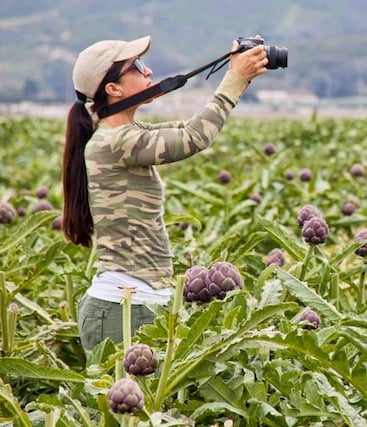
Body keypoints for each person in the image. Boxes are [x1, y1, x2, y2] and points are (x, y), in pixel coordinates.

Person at [62, 35, 268, 351]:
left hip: (136, 304)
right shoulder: (115, 142)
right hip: (123, 309)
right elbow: (194, 137)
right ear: (113, 89)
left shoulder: (126, 135)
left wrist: (235, 68)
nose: (148, 71)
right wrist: (235, 79)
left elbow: (188, 128)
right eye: (137, 66)